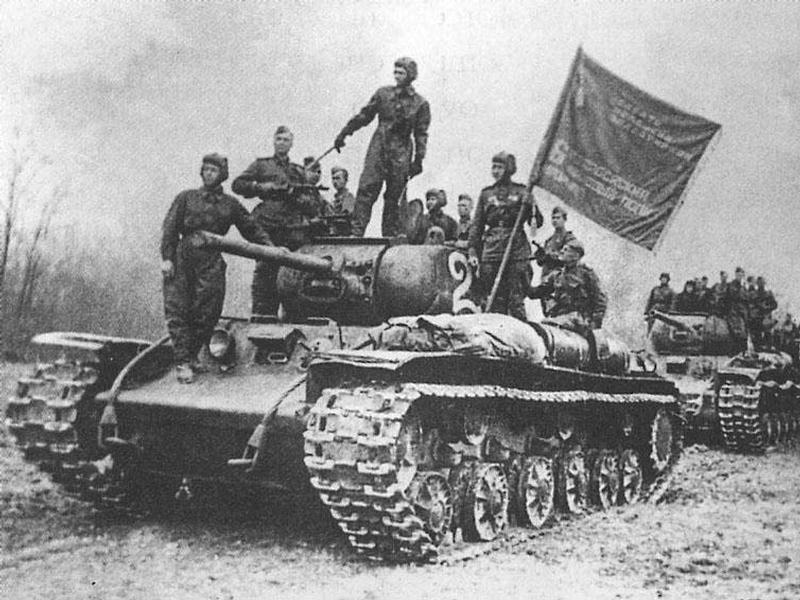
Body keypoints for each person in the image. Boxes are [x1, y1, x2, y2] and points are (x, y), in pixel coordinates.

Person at [162, 153, 272, 383]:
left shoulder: (229, 204)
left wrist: (271, 249)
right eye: (206, 169)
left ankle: (193, 355)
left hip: (211, 259)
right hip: (184, 256)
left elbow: (250, 228)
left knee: (209, 310)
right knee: (178, 309)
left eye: (214, 170)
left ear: (222, 175)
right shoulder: (186, 198)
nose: (209, 174)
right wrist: (167, 258)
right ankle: (183, 361)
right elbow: (170, 228)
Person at [333, 57, 431, 237]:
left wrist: (419, 159)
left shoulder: (420, 103)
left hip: (401, 151)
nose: (397, 75)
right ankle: (356, 232)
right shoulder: (383, 94)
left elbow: (421, 133)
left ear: (410, 75)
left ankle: (390, 236)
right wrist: (345, 133)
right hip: (379, 147)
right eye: (395, 71)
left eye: (401, 72)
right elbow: (364, 116)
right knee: (367, 188)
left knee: (395, 195)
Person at [232, 126, 306, 316]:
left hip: (292, 231)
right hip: (268, 228)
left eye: (286, 140)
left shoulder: (298, 171)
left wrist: (298, 196)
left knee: (293, 281)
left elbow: (309, 200)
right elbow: (238, 185)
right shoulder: (261, 165)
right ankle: (263, 321)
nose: (282, 143)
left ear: (291, 144)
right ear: (274, 141)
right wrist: (263, 187)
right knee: (265, 278)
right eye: (279, 139)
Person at [468, 151, 536, 321]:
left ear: (509, 169)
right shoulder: (486, 194)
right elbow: (477, 225)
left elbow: (537, 222)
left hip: (515, 249)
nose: (496, 171)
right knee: (492, 297)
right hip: (491, 250)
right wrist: (472, 250)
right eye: (494, 167)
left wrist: (529, 205)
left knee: (515, 298)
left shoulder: (522, 191)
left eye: (500, 167)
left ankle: (521, 334)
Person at [528, 238, 607, 333]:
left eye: (566, 250)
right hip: (559, 316)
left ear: (576, 256)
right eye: (562, 249)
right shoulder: (557, 274)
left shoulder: (586, 274)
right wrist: (522, 277)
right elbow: (536, 292)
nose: (561, 251)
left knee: (549, 324)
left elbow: (600, 299)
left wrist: (594, 323)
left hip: (578, 318)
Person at [534, 206, 576, 316]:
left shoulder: (569, 238)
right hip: (546, 280)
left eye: (558, 218)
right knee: (547, 311)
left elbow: (568, 257)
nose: (555, 220)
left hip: (559, 281)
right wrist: (540, 254)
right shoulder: (549, 240)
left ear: (564, 219)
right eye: (553, 218)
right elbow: (541, 263)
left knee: (559, 311)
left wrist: (549, 255)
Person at [748, 276, 778, 346]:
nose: (761, 284)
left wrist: (767, 308)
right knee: (756, 335)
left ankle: (768, 347)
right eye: (759, 283)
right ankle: (758, 347)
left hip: (766, 317)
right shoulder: (753, 294)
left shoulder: (768, 293)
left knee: (768, 334)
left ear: (764, 283)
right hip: (756, 317)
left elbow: (775, 305)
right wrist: (754, 309)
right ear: (757, 284)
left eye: (762, 282)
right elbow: (749, 305)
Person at [725, 266, 749, 351]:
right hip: (734, 312)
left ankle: (743, 351)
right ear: (735, 275)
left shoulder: (743, 287)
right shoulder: (732, 285)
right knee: (736, 333)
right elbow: (734, 296)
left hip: (743, 313)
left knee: (744, 334)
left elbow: (746, 298)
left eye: (741, 275)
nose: (740, 277)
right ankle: (736, 351)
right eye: (738, 275)